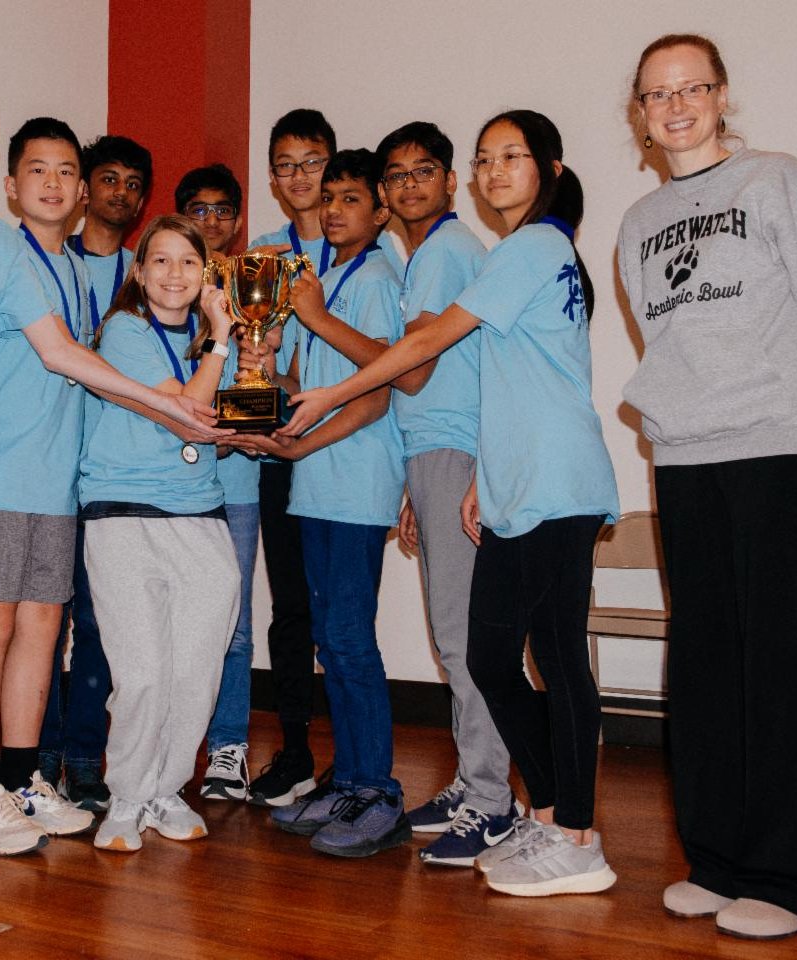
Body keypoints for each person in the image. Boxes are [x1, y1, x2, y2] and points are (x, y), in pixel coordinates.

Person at [0, 66, 220, 870]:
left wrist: (174, 402)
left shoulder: (41, 262)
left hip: (12, 479)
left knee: (3, 636)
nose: (53, 185)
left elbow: (77, 361)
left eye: (66, 172)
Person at [283, 113, 619, 892]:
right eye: (486, 158)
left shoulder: (530, 247)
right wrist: (481, 477)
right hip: (525, 476)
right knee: (513, 655)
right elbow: (498, 379)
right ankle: (547, 816)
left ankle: (566, 830)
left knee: (528, 658)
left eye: (513, 157)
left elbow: (425, 352)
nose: (495, 170)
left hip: (554, 476)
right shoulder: (530, 253)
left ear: (551, 170)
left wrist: (331, 389)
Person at [619, 33, 797, 940]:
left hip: (782, 449)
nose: (676, 106)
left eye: (691, 88)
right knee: (703, 665)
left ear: (722, 96)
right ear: (640, 114)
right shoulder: (638, 223)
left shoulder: (778, 181)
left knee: (782, 663)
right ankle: (719, 860)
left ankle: (791, 875)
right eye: (657, 95)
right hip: (686, 458)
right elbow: (662, 341)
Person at [298, 120, 516, 867]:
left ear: (450, 182)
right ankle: (471, 783)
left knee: (460, 637)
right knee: (451, 633)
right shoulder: (429, 254)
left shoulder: (442, 252)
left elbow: (413, 373)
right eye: (398, 174)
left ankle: (491, 800)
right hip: (434, 452)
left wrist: (316, 318)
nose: (410, 184)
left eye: (424, 171)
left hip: (451, 449)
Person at [228, 149, 410, 858]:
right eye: (328, 197)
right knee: (331, 642)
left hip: (356, 485)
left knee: (351, 642)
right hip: (316, 485)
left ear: (380, 211)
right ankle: (350, 780)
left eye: (350, 198)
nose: (333, 209)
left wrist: (312, 316)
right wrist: (262, 365)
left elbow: (380, 383)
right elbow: (304, 383)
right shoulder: (325, 280)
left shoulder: (377, 277)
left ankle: (380, 792)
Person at [0, 118, 102, 854]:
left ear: (82, 192)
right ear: (10, 185)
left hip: (57, 483)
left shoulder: (78, 269)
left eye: (66, 170)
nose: (52, 182)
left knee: (44, 628)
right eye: (37, 169)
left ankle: (21, 778)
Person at [79, 215, 240, 852]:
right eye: (162, 261)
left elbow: (226, 426)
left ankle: (166, 789)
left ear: (206, 274)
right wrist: (222, 340)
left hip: (200, 517)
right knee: (142, 672)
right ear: (140, 272)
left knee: (197, 670)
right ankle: (125, 795)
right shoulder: (125, 330)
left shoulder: (212, 345)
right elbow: (189, 415)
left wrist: (248, 366)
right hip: (123, 516)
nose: (175, 274)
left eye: (189, 262)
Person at [39, 134, 152, 812]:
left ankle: (84, 758)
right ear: (84, 189)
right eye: (108, 178)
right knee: (44, 622)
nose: (120, 192)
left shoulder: (151, 274)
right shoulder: (51, 264)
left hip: (115, 480)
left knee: (101, 625)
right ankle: (36, 755)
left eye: (133, 184)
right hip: (51, 470)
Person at [244, 109, 339, 806]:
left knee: (342, 615)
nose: (300, 176)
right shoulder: (262, 255)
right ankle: (297, 749)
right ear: (274, 178)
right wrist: (253, 426)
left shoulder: (362, 246)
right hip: (281, 452)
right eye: (286, 165)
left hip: (347, 453)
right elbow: (249, 366)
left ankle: (357, 760)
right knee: (289, 608)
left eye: (312, 162)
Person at [172, 163, 258, 801]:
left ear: (237, 218)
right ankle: (171, 745)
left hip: (237, 480)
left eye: (222, 209)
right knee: (168, 619)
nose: (211, 221)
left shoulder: (254, 285)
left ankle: (229, 748)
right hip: (170, 483)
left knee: (234, 620)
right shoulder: (163, 283)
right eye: (197, 210)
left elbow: (265, 381)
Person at [175, 162, 243, 261]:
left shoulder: (245, 270)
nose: (212, 222)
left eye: (223, 210)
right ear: (180, 222)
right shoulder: (166, 270)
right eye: (199, 211)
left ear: (237, 223)